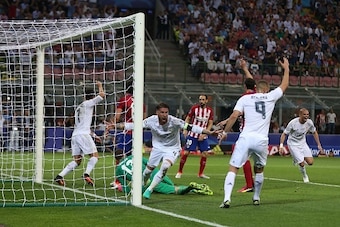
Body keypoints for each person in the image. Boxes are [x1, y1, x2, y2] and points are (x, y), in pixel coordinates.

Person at [218, 57, 290, 208]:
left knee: (233, 168)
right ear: (266, 90)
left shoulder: (245, 99)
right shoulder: (270, 97)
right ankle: (256, 197)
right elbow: (284, 85)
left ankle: (226, 198)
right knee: (259, 169)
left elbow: (233, 116)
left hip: (245, 137)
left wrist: (225, 132)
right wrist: (286, 68)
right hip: (261, 140)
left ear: (256, 88)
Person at [112, 102, 218, 199]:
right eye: (162, 112)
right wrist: (115, 126)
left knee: (165, 166)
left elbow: (191, 127)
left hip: (172, 148)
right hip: (157, 148)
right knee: (148, 171)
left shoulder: (175, 121)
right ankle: (143, 182)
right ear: (157, 113)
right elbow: (134, 125)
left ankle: (149, 189)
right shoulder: (151, 120)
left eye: (166, 112)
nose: (164, 115)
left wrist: (209, 132)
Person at [54, 81, 105, 186]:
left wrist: (95, 136)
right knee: (94, 156)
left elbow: (83, 126)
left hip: (76, 135)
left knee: (77, 160)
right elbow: (102, 95)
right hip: (83, 135)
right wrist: (100, 85)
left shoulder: (79, 107)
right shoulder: (88, 103)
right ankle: (87, 174)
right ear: (91, 96)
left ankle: (59, 176)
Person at [217, 59, 256, 193]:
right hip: (258, 131)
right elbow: (251, 80)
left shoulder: (244, 97)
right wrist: (245, 68)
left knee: (241, 154)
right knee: (247, 156)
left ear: (244, 87)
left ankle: (250, 185)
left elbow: (236, 115)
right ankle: (252, 183)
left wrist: (225, 130)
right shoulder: (257, 96)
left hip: (247, 131)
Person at [115, 154, 213, 196]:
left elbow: (126, 189)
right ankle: (196, 188)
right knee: (171, 185)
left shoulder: (118, 170)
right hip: (155, 173)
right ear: (124, 155)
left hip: (145, 181)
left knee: (174, 190)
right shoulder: (133, 156)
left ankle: (190, 188)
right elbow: (150, 164)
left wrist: (122, 188)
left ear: (116, 160)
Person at [279, 108, 324, 183]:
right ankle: (305, 176)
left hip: (303, 143)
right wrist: (281, 146)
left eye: (307, 114)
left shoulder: (309, 122)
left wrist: (319, 145)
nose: (306, 116)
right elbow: (284, 134)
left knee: (310, 162)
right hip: (293, 144)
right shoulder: (293, 123)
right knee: (302, 163)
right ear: (300, 115)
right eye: (304, 114)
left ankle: (296, 159)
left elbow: (314, 132)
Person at [175, 94, 214, 179]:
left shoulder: (210, 111)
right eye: (200, 99)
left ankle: (200, 174)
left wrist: (204, 134)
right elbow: (188, 118)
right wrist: (185, 129)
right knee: (186, 152)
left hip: (203, 135)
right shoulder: (194, 109)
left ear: (207, 101)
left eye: (203, 100)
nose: (201, 101)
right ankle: (179, 172)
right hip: (193, 134)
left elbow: (210, 123)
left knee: (205, 153)